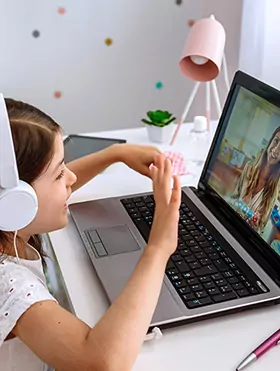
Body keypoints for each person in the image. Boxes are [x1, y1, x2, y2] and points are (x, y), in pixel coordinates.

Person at [0, 98, 181, 371]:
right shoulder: (9, 283)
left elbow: (47, 192)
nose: (71, 178)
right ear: (17, 201)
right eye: (60, 173)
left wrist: (114, 155)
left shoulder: (10, 226)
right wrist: (158, 248)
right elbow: (101, 362)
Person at [230, 126, 280, 233]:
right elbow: (232, 197)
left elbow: (261, 228)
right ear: (271, 141)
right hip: (230, 224)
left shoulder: (273, 193)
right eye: (276, 141)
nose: (276, 150)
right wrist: (237, 206)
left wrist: (255, 225)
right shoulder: (248, 168)